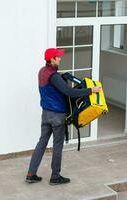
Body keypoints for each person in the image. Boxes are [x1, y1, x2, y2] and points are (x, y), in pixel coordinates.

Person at [26, 48, 101, 185]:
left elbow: (53, 88)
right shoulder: (54, 76)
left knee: (41, 143)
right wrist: (91, 90)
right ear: (52, 59)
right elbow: (69, 92)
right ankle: (55, 177)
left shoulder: (42, 71)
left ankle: (31, 174)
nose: (60, 58)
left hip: (46, 114)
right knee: (57, 145)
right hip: (57, 116)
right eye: (57, 57)